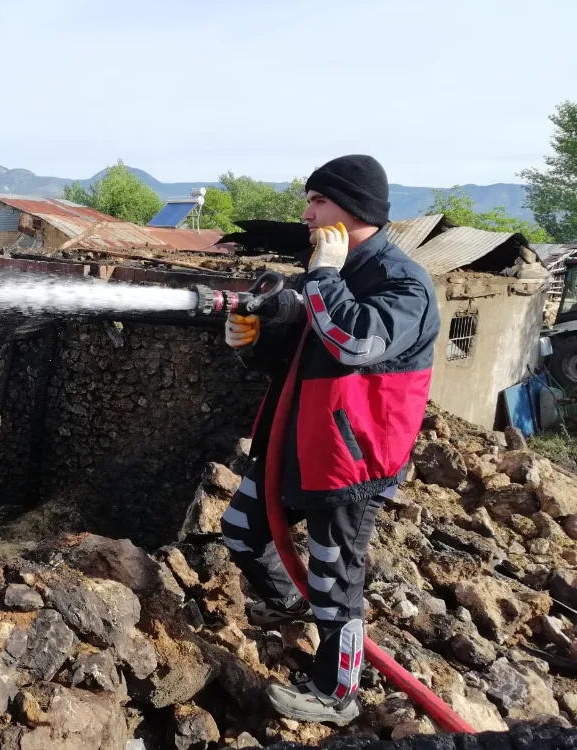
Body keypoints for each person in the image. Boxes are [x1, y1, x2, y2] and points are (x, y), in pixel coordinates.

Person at [221, 155, 440, 725]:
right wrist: (250, 342)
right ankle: (294, 603)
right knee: (241, 530)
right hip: (296, 439)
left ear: (355, 209)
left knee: (334, 574)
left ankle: (336, 691)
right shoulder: (322, 273)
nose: (306, 213)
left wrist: (323, 278)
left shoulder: (403, 283)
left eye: (317, 201)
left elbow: (352, 343)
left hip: (351, 460)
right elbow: (295, 362)